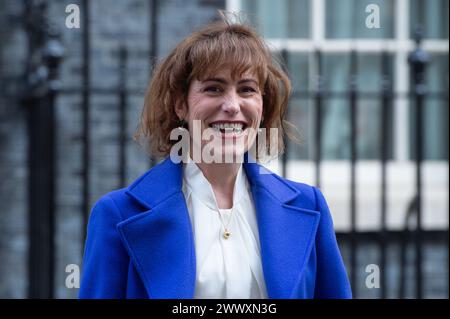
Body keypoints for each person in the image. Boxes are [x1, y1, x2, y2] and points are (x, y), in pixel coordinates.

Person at [79, 14, 352, 299]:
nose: (232, 105)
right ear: (180, 105)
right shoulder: (118, 214)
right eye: (213, 88)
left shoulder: (311, 206)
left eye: (247, 89)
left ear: (263, 104)